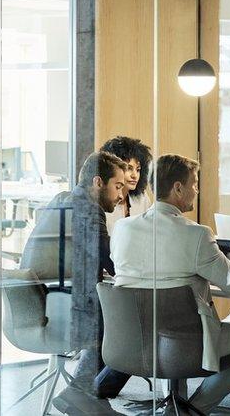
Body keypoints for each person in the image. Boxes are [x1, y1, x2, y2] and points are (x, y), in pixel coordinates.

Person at [110, 154, 230, 415]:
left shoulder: (122, 229)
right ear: (178, 187)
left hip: (131, 342)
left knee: (172, 324)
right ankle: (193, 410)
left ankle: (179, 408)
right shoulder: (197, 234)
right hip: (181, 345)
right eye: (195, 184)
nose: (196, 191)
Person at [48, 151, 132, 415]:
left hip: (52, 299)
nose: (121, 195)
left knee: (125, 321)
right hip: (74, 305)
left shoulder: (63, 200)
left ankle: (90, 396)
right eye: (117, 186)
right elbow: (109, 260)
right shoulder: (89, 209)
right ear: (98, 182)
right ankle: (81, 393)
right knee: (135, 325)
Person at [99, 136, 153, 233]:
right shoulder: (100, 202)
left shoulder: (142, 198)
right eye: (129, 168)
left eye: (138, 169)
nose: (135, 175)